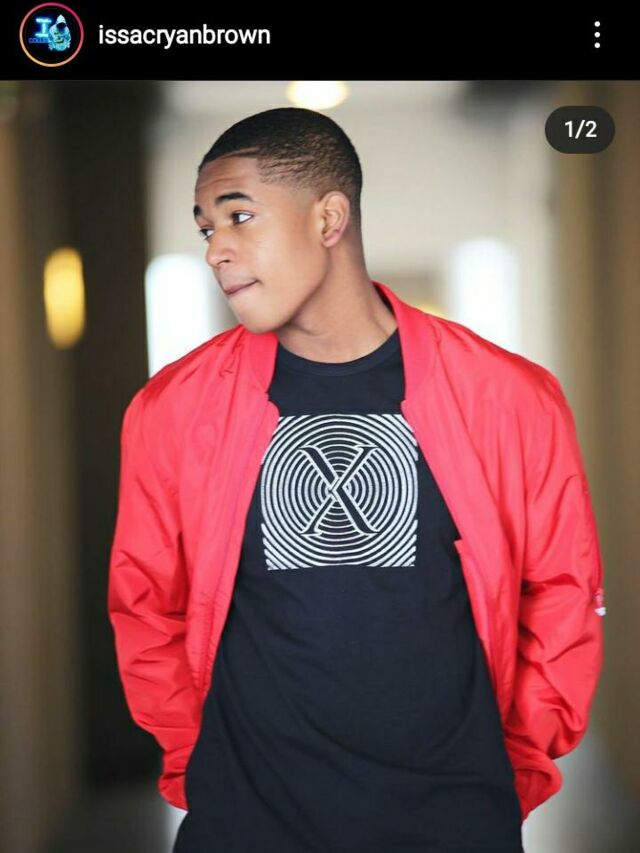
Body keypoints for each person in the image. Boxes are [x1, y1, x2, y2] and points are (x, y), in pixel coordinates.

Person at [107, 107, 605, 853]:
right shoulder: (171, 410)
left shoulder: (511, 397)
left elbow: (563, 592)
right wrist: (199, 762)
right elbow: (144, 606)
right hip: (247, 823)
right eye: (207, 228)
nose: (216, 249)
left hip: (452, 821)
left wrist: (512, 767)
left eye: (239, 216)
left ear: (329, 218)